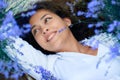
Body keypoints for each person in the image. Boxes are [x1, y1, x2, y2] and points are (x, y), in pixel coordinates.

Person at [6, 1, 120, 80]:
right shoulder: (49, 67)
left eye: (47, 20)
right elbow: (6, 38)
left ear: (66, 21)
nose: (43, 30)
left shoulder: (106, 40)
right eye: (36, 31)